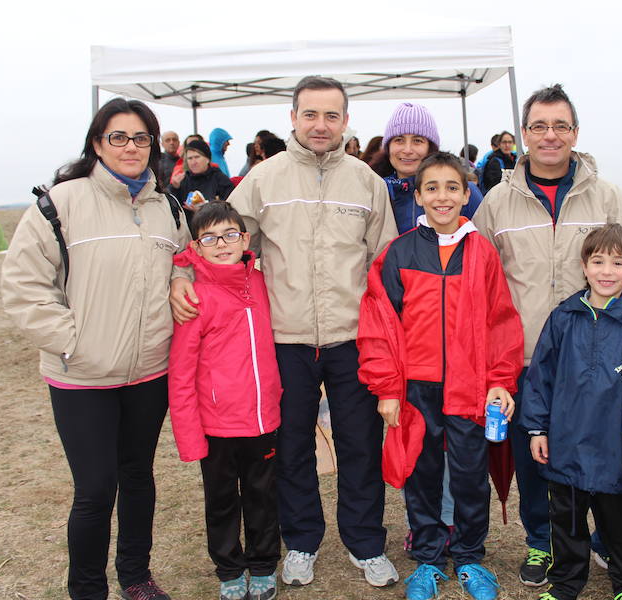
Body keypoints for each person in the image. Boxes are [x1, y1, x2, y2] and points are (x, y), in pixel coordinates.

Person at [169, 76, 400, 589]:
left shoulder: (366, 182)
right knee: (292, 446)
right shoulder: (262, 179)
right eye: (311, 114)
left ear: (345, 121)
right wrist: (182, 274)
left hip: (350, 338)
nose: (321, 125)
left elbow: (383, 262)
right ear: (292, 118)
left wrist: (383, 332)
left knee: (359, 443)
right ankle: (301, 542)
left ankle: (365, 542)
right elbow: (215, 235)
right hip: (284, 338)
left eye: (332, 116)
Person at [473, 83, 622, 588]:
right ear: (524, 134)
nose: (550, 136)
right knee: (535, 457)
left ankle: (610, 542)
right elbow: (475, 277)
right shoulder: (498, 202)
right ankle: (542, 543)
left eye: (560, 126)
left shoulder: (605, 195)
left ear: (575, 133)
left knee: (606, 458)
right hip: (527, 360)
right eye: (539, 126)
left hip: (601, 362)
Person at [0, 97, 190, 600]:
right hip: (82, 376)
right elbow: (24, 286)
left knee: (138, 478)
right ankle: (87, 589)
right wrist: (71, 342)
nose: (131, 147)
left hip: (150, 372)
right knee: (95, 489)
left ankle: (136, 575)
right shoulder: (60, 203)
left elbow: (186, 264)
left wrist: (179, 282)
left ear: (154, 146)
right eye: (118, 137)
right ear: (96, 143)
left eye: (141, 138)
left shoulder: (166, 206)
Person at [357, 152, 523, 600]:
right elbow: (379, 324)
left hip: (469, 388)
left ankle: (470, 556)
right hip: (416, 389)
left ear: (467, 195)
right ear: (418, 193)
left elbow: (501, 322)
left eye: (452, 187)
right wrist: (388, 388)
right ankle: (429, 557)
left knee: (470, 476)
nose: (443, 196)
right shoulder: (400, 252)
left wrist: (499, 380)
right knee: (422, 474)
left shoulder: (482, 253)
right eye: (432, 187)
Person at [522, 223, 622, 600]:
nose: (607, 271)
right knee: (566, 523)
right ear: (584, 266)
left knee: (617, 524)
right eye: (598, 261)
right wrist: (537, 428)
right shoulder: (564, 317)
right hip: (566, 444)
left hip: (614, 449)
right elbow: (541, 375)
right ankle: (566, 583)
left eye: (617, 263)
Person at [167, 202, 282, 600]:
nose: (222, 245)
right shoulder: (195, 297)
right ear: (196, 248)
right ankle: (230, 568)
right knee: (221, 502)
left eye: (230, 235)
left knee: (263, 497)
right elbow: (181, 374)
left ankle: (264, 564)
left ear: (245, 239)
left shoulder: (261, 284)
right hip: (216, 426)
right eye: (210, 238)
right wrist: (189, 437)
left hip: (262, 419)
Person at [370, 102, 484, 233]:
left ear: (430, 148)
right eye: (399, 140)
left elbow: (482, 244)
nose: (407, 150)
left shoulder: (461, 192)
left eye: (417, 140)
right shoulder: (375, 191)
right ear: (388, 147)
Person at [168, 139, 236, 224]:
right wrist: (174, 188)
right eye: (190, 158)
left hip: (214, 227)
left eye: (197, 157)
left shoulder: (219, 178)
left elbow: (230, 206)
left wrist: (204, 210)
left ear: (207, 159)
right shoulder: (183, 179)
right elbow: (172, 208)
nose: (193, 162)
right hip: (189, 230)